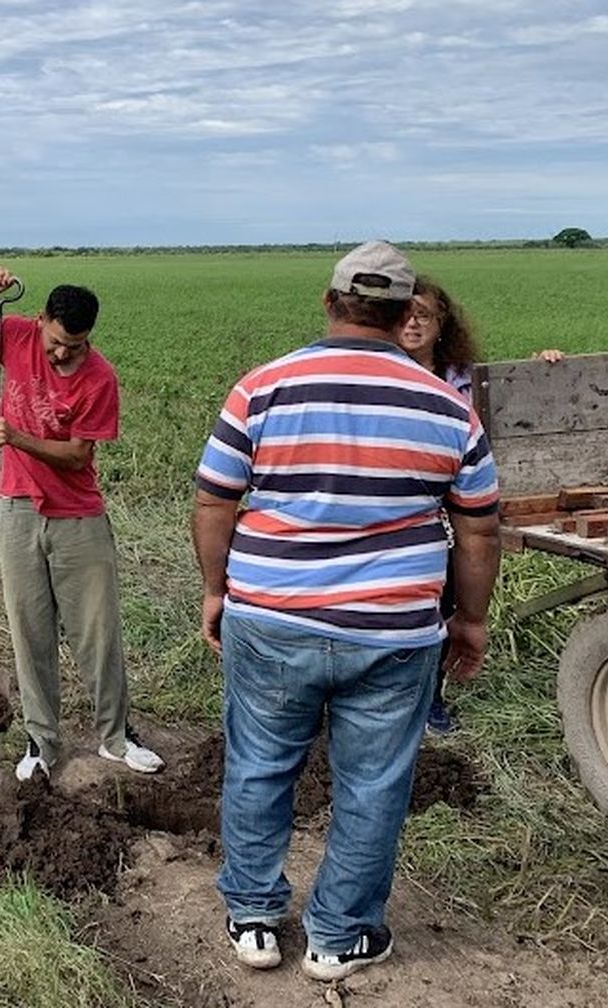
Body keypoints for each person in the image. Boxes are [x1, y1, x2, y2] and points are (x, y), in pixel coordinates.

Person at [192, 241, 501, 980]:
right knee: (373, 783)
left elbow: (214, 499)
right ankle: (339, 935)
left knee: (261, 766)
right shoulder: (447, 406)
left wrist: (216, 589)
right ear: (404, 316)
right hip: (394, 632)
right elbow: (480, 526)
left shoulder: (262, 388)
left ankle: (254, 919)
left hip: (272, 617)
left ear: (330, 304)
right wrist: (471, 619)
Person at [0, 265, 165, 782]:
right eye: (57, 342)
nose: (62, 354)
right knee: (29, 632)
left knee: (96, 632)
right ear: (40, 321)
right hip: (16, 508)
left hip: (78, 516)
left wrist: (15, 437)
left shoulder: (99, 377)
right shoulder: (14, 335)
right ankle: (41, 741)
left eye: (75, 346)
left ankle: (116, 737)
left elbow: (78, 457)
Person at [398, 277, 563, 734]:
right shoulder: (378, 372)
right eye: (405, 313)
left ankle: (430, 699)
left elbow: (517, 408)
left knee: (445, 602)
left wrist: (542, 370)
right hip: (404, 510)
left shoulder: (465, 379)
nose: (413, 322)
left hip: (459, 513)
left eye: (424, 315)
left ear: (441, 322)